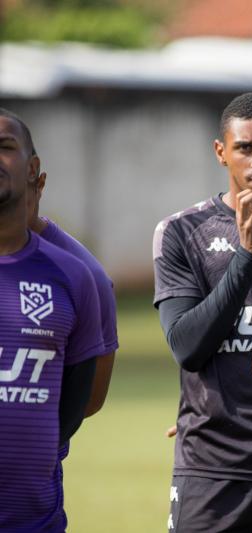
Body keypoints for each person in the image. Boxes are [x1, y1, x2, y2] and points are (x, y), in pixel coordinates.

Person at [152, 92, 252, 532]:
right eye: (245, 147)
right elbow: (187, 347)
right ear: (221, 152)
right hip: (211, 461)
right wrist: (247, 256)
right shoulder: (182, 232)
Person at [0, 108, 104, 531]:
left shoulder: (74, 276)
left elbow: (79, 403)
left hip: (34, 519)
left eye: (5, 148)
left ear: (33, 169)